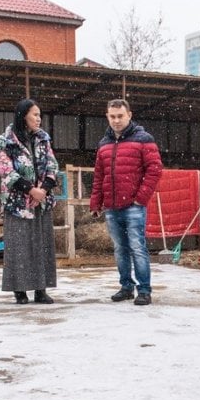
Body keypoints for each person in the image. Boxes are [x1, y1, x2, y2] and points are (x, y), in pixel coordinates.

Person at [89, 98, 163, 306]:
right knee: (120, 249)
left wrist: (141, 198)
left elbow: (155, 169)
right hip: (112, 207)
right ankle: (126, 287)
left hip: (133, 206)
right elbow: (99, 175)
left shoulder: (143, 139)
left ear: (129, 115)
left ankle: (144, 290)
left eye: (120, 116)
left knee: (137, 247)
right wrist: (96, 203)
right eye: (112, 116)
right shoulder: (104, 143)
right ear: (107, 117)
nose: (116, 120)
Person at [0, 98, 59, 305]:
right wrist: (30, 189)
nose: (39, 119)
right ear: (24, 116)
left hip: (41, 201)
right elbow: (6, 170)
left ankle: (41, 289)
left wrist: (42, 190)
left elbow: (52, 166)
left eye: (40, 115)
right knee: (19, 246)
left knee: (42, 244)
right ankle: (19, 289)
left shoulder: (43, 139)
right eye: (35, 114)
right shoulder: (6, 140)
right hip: (17, 203)